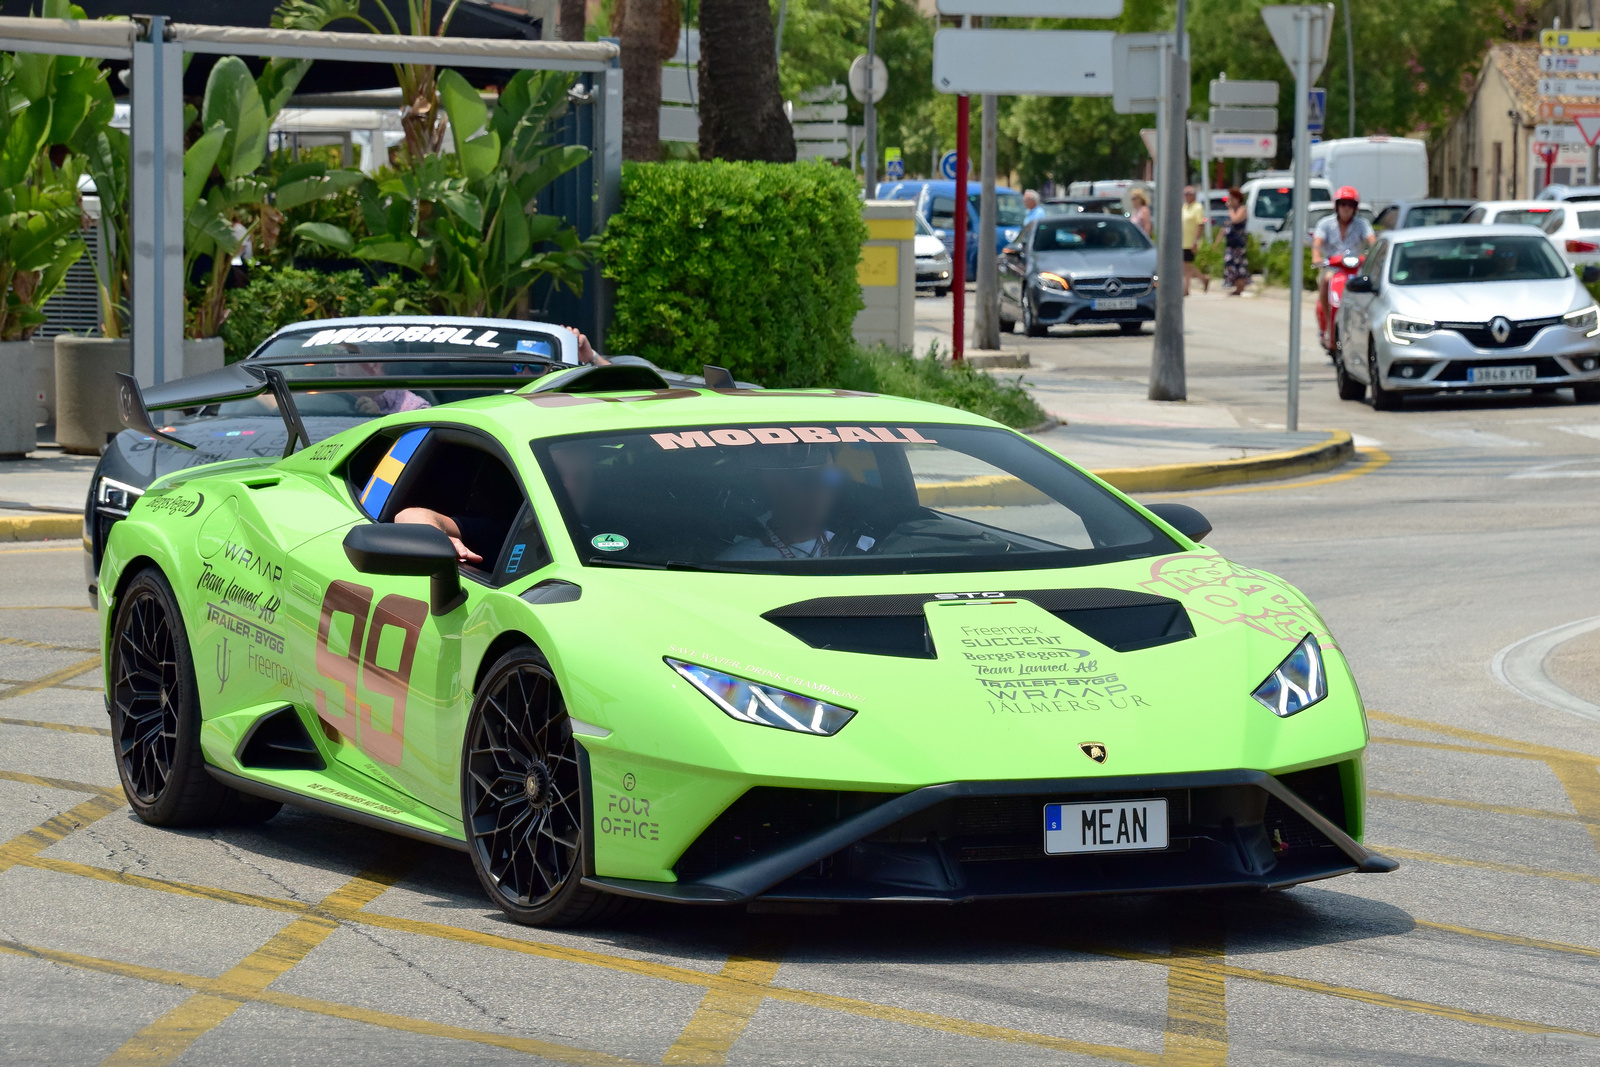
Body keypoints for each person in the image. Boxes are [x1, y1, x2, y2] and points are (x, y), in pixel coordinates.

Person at [717, 444, 843, 561]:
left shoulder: (858, 549)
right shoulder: (737, 562)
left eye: (829, 477)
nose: (820, 488)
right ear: (772, 485)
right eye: (805, 478)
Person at [1312, 185, 1376, 337]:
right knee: (1325, 281)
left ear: (1355, 208)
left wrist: (1375, 255)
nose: (1346, 208)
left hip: (1356, 270)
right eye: (1342, 204)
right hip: (1333, 269)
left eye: (1350, 205)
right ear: (1336, 206)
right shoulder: (1325, 224)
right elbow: (1317, 243)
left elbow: (1372, 242)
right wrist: (1317, 257)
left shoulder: (1362, 224)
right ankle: (1328, 324)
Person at [1181, 185, 1208, 296]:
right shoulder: (1184, 207)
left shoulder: (1197, 207)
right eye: (1185, 194)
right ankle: (1203, 278)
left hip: (1191, 241)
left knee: (1186, 265)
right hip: (1182, 241)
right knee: (1184, 265)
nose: (1186, 196)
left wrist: (1196, 241)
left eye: (1189, 194)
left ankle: (1186, 288)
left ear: (1194, 195)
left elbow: (1200, 224)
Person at [1222, 188, 1250, 296]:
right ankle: (1236, 287)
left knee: (1239, 266)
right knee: (1230, 265)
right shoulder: (1232, 212)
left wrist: (1230, 209)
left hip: (1239, 243)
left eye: (1232, 199)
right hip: (1230, 244)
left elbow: (1235, 220)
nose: (1230, 201)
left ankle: (1240, 288)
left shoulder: (1242, 209)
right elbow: (1225, 227)